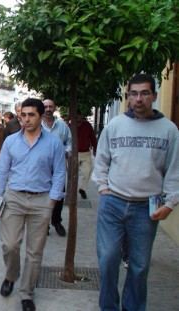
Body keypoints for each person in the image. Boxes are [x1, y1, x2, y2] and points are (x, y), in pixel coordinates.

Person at [92, 73, 179, 311]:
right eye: (133, 93)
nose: (138, 99)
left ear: (154, 96)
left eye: (144, 93)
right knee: (108, 260)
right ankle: (109, 307)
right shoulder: (115, 125)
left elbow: (174, 169)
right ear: (128, 96)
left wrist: (170, 203)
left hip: (146, 207)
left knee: (139, 266)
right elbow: (101, 161)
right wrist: (103, 189)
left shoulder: (169, 130)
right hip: (113, 203)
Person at [0, 98, 66, 311]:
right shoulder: (12, 141)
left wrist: (51, 201)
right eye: (23, 115)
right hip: (13, 198)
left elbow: (60, 173)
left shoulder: (53, 143)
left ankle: (27, 293)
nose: (26, 119)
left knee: (35, 251)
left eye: (31, 115)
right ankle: (11, 275)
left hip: (41, 200)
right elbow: (2, 170)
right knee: (10, 244)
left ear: (41, 117)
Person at [42, 99, 72, 237]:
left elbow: (70, 142)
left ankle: (56, 221)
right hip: (41, 168)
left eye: (50, 107)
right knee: (43, 195)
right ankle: (44, 223)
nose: (48, 109)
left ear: (54, 108)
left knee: (58, 195)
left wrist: (67, 151)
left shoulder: (62, 126)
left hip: (58, 167)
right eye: (45, 107)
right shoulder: (38, 125)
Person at [74, 110, 97, 199]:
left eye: (78, 115)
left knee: (87, 172)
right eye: (75, 116)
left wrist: (95, 148)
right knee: (73, 175)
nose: (77, 117)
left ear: (80, 116)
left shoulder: (87, 125)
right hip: (74, 153)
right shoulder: (69, 126)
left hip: (85, 153)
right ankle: (72, 192)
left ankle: (82, 189)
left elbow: (93, 138)